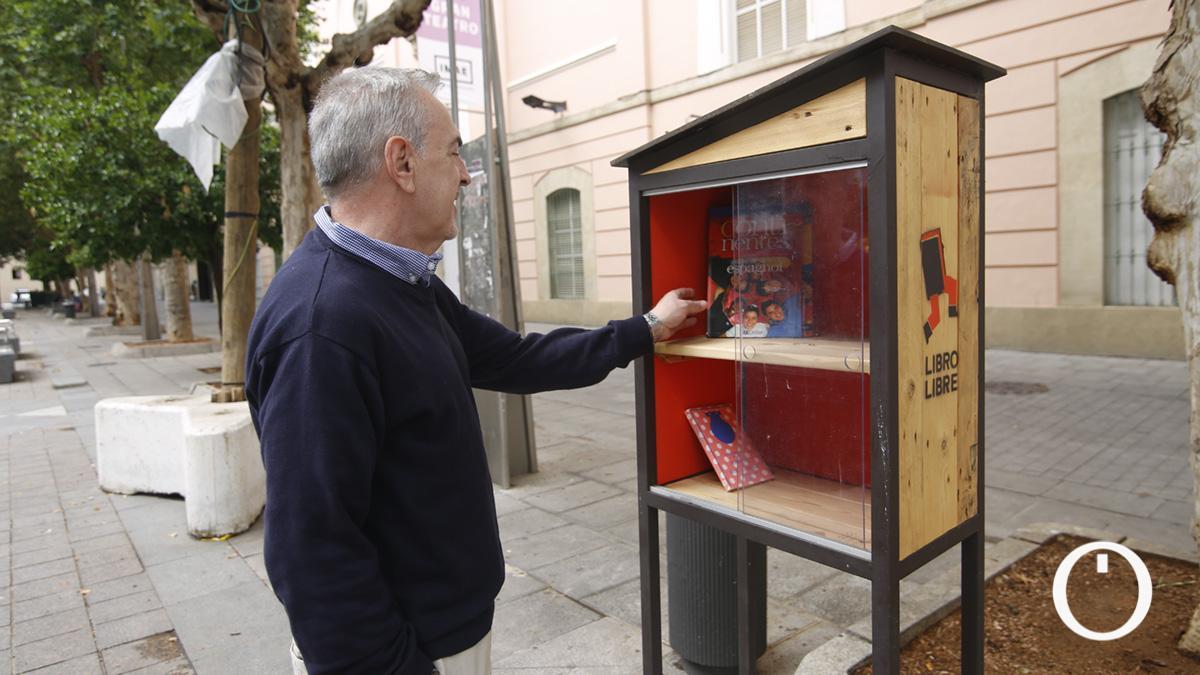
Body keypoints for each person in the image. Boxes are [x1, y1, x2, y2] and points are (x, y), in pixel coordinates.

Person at [243, 68, 705, 675]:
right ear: (402, 163)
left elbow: (516, 357)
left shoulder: (400, 282)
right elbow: (312, 551)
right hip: (408, 649)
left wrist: (646, 328)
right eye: (455, 152)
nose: (465, 174)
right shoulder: (321, 326)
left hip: (446, 626)